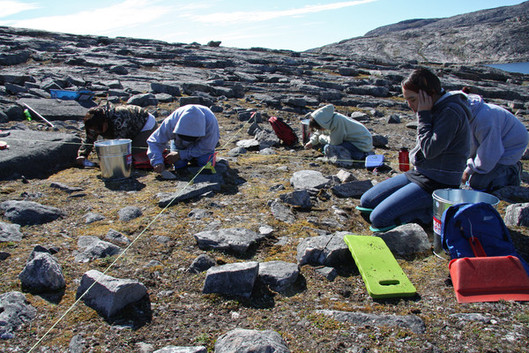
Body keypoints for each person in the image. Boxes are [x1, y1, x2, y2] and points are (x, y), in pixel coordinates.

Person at [359, 67, 471, 231]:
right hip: (421, 173)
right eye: (407, 101)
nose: (411, 106)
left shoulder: (450, 111)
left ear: (429, 93)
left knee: (379, 219)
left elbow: (430, 150)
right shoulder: (436, 106)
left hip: (439, 182)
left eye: (413, 99)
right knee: (366, 202)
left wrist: (423, 115)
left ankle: (432, 213)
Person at [460, 87, 528, 192]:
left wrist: (468, 171)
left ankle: (510, 170)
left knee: (477, 184)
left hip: (510, 148)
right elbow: (473, 145)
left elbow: (489, 154)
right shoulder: (468, 116)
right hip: (494, 144)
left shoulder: (484, 120)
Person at [76, 103, 157, 166]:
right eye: (93, 130)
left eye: (98, 129)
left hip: (146, 125)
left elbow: (120, 144)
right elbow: (89, 139)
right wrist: (83, 155)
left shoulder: (119, 119)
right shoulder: (94, 125)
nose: (96, 132)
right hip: (131, 128)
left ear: (105, 122)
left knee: (133, 154)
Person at [147, 104, 219, 174]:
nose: (187, 141)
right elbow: (155, 141)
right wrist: (157, 162)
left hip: (202, 147)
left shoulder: (210, 124)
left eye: (191, 138)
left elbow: (206, 148)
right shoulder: (172, 122)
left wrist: (180, 155)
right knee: (179, 164)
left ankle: (196, 159)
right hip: (179, 144)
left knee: (205, 164)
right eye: (184, 136)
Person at [303, 104, 373, 164]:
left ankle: (361, 155)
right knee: (326, 147)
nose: (319, 129)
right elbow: (319, 131)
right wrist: (311, 142)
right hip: (352, 141)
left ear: (321, 124)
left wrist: (321, 138)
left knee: (328, 147)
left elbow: (335, 142)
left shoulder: (337, 121)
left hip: (361, 144)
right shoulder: (326, 120)